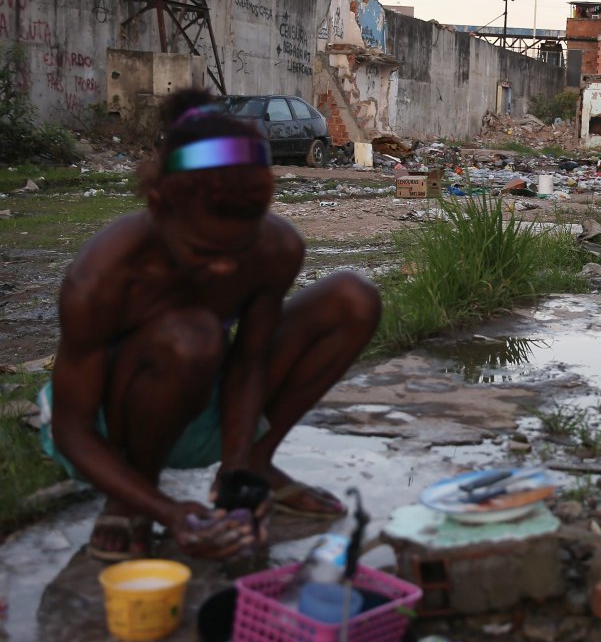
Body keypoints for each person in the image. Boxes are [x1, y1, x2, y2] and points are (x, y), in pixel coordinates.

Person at [37, 88, 382, 561]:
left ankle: (256, 467)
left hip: (202, 390)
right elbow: (71, 429)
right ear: (159, 208)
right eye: (203, 252)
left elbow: (249, 362)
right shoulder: (104, 276)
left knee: (352, 298)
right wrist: (168, 511)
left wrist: (238, 472)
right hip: (108, 422)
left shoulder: (275, 248)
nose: (224, 269)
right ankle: (132, 492)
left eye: (239, 249)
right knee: (192, 335)